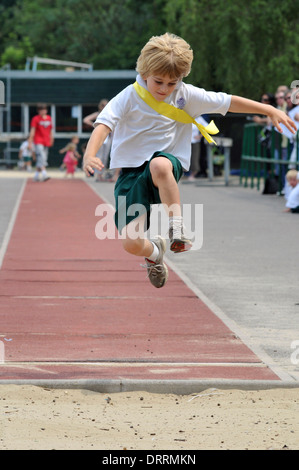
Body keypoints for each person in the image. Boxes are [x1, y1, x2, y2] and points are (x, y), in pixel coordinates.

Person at [83, 33, 296, 288]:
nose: (164, 89)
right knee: (130, 243)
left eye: (171, 83)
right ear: (144, 73)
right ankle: (155, 252)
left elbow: (228, 102)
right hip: (130, 174)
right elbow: (104, 124)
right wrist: (90, 153)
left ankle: (177, 227)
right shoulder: (129, 96)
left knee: (159, 164)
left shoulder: (187, 94)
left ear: (181, 78)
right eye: (158, 82)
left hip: (166, 166)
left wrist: (270, 109)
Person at [83, 99, 115, 181]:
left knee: (105, 157)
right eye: (103, 105)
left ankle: (102, 174)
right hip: (100, 137)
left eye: (106, 105)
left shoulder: (110, 114)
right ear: (100, 106)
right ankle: (98, 175)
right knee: (99, 156)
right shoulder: (98, 114)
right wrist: (95, 126)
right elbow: (86, 119)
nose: (104, 106)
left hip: (108, 137)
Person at [28, 103, 53, 182]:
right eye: (41, 110)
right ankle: (44, 173)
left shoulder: (49, 118)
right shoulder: (35, 119)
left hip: (46, 141)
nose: (43, 111)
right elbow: (32, 131)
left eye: (44, 110)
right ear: (38, 111)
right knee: (41, 156)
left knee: (42, 158)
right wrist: (29, 142)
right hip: (38, 141)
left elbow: (50, 130)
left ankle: (36, 175)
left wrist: (51, 139)